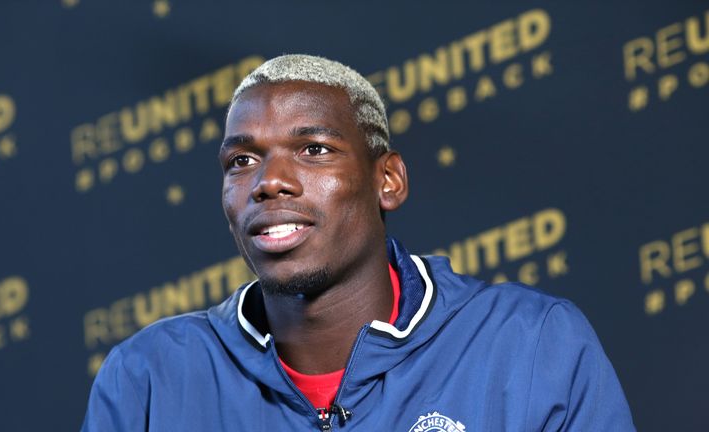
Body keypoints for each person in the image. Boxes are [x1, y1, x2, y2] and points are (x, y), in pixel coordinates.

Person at [82, 54, 635, 431]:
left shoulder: (531, 344)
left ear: (387, 180)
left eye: (314, 149)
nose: (269, 181)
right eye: (242, 160)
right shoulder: (148, 378)